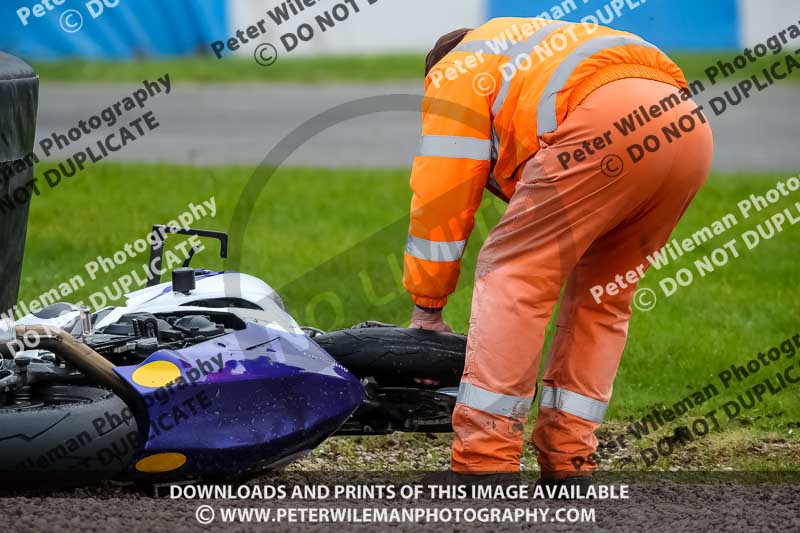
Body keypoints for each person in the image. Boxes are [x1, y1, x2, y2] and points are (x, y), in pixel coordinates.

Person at [404, 17, 713, 484]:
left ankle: (483, 465)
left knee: (514, 276)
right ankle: (569, 463)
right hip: (687, 130)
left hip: (603, 124)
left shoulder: (457, 71)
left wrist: (428, 307)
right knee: (603, 299)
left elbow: (441, 197)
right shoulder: (527, 46)